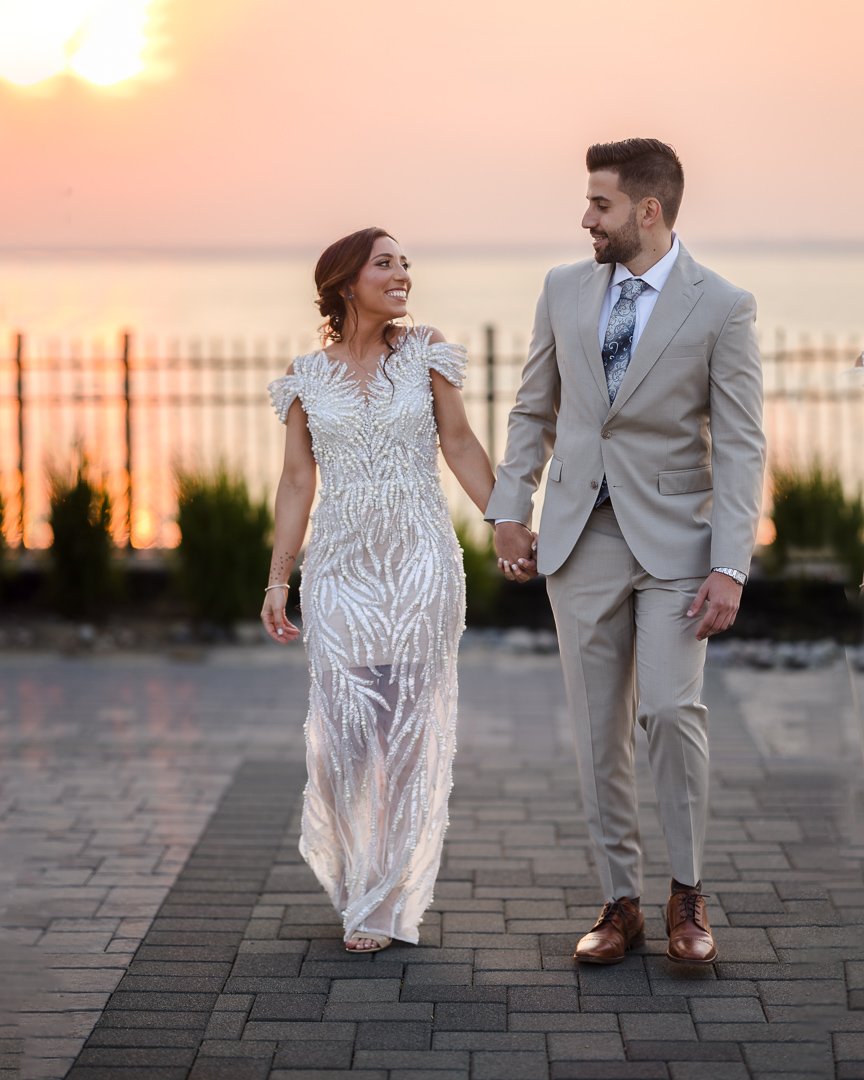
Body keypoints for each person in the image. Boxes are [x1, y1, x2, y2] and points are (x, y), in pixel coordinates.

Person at [487, 139, 766, 965]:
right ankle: (619, 903)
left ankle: (686, 894)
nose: (586, 218)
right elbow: (533, 405)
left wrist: (730, 564)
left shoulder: (722, 305)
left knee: (671, 713)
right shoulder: (563, 288)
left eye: (600, 204)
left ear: (648, 210)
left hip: (678, 543)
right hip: (580, 538)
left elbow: (743, 446)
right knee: (596, 726)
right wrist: (511, 505)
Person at [262, 227, 495, 953]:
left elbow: (458, 444)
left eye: (405, 265)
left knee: (402, 734)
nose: (401, 275)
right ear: (344, 281)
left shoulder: (427, 354)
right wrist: (279, 577)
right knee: (342, 742)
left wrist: (510, 524)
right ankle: (361, 865)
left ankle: (382, 891)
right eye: (385, 264)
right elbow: (298, 479)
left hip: (420, 560)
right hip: (338, 569)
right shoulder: (305, 374)